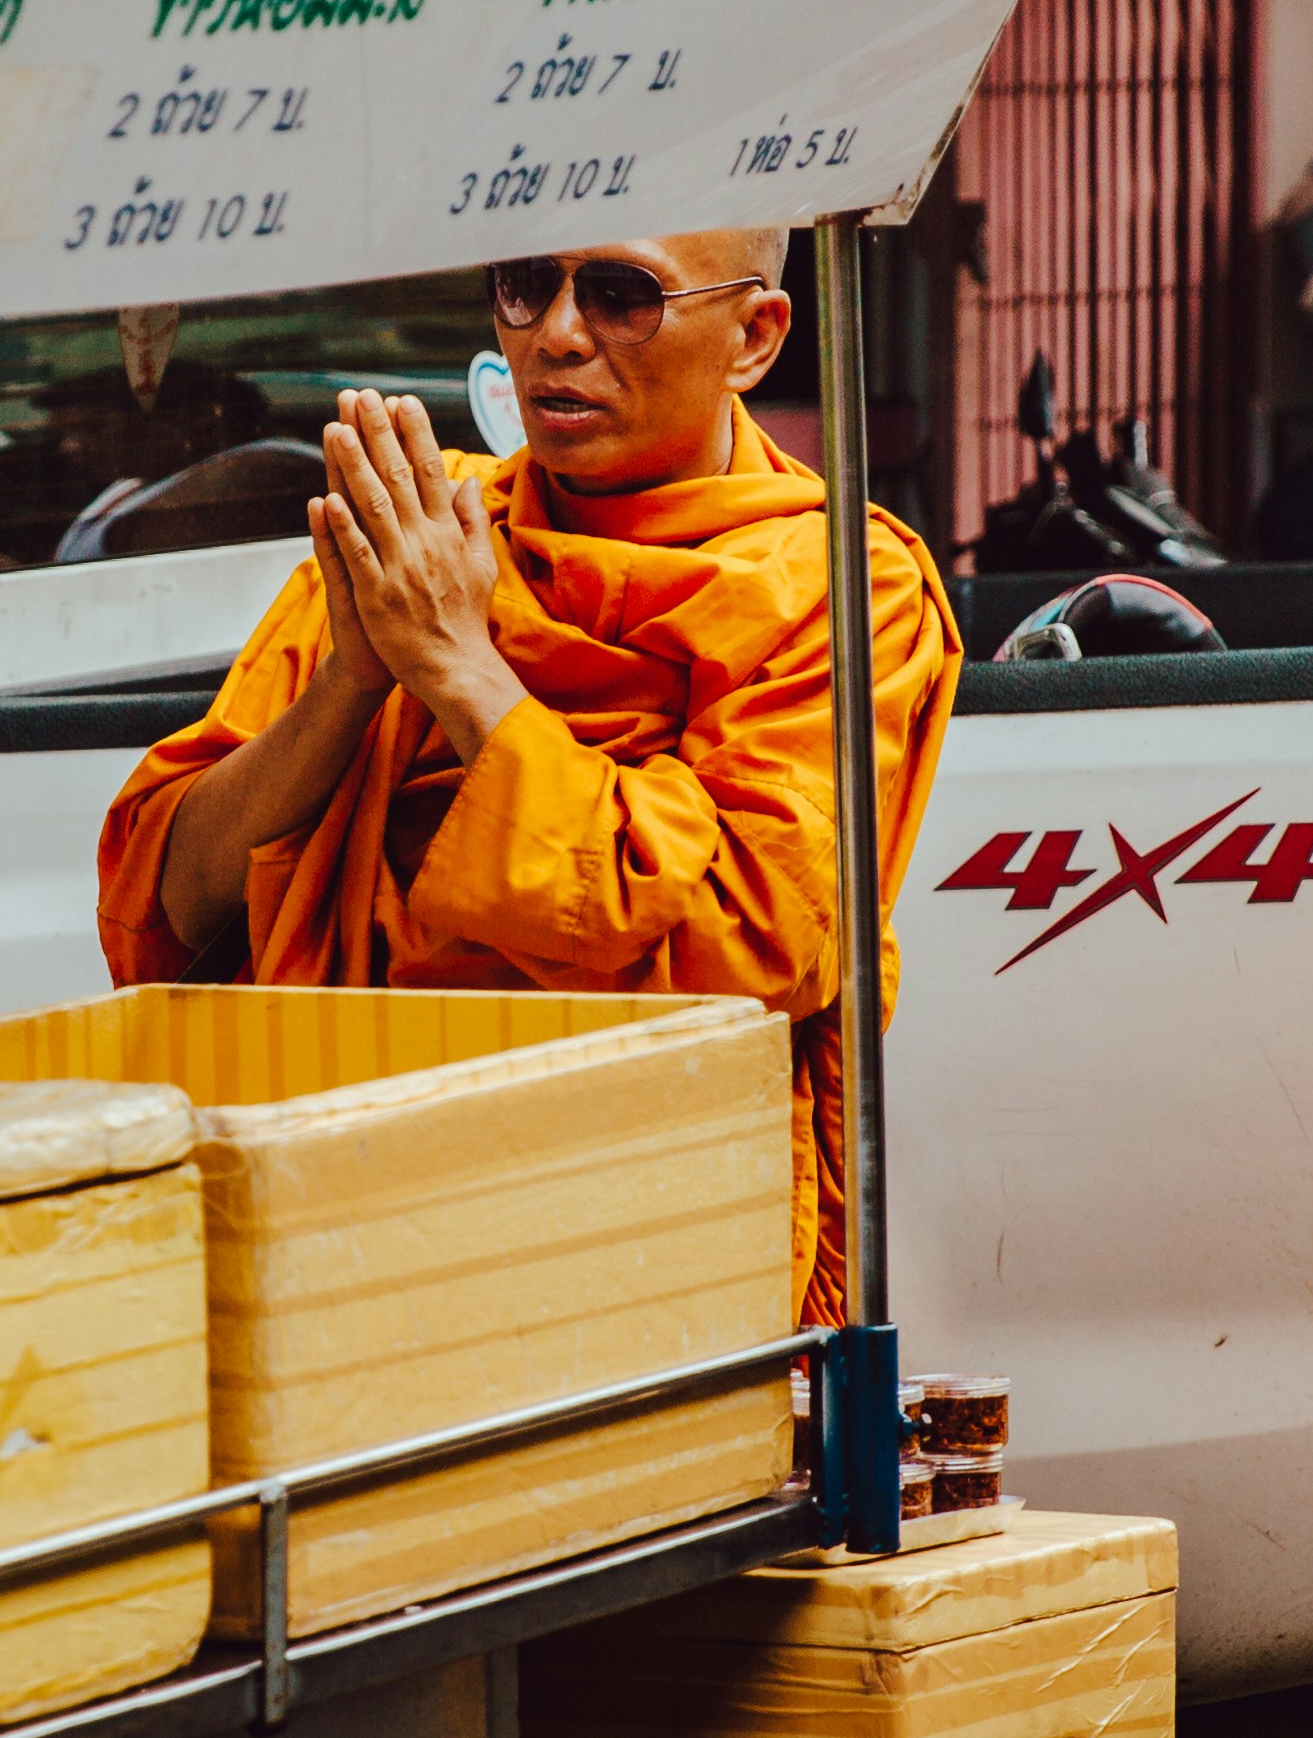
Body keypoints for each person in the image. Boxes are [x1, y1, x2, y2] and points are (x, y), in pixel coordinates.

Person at [96, 238, 955, 1321]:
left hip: (641, 1245)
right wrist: (356, 682)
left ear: (755, 338)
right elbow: (168, 900)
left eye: (619, 297)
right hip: (337, 1205)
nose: (554, 335)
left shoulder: (837, 587)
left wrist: (458, 669)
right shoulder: (431, 536)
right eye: (523, 284)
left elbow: (742, 939)